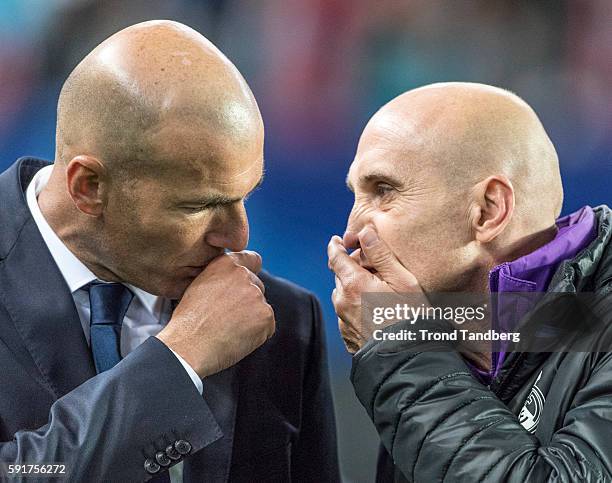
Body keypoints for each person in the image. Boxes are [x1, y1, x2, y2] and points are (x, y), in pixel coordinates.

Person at [0, 21, 338, 482]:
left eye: (244, 195)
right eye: (199, 205)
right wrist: (179, 359)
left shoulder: (281, 320)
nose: (238, 236)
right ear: (89, 187)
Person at [328, 82, 611, 481]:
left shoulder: (412, 350)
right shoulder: (451, 332)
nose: (351, 231)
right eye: (356, 195)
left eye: (383, 191)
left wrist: (401, 347)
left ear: (487, 211)